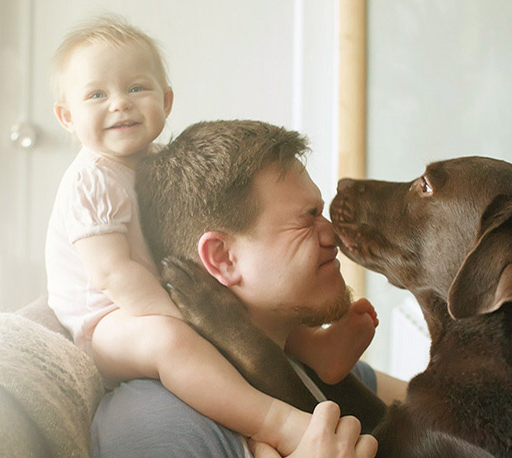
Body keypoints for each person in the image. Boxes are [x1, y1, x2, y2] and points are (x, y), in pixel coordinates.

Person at [45, 17, 379, 457]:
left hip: (154, 299)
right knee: (173, 343)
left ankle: (317, 351)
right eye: (97, 95)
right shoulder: (91, 180)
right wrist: (188, 322)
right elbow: (112, 273)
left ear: (166, 101)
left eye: (136, 89)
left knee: (245, 317)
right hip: (104, 319)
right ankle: (273, 423)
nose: (120, 105)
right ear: (67, 117)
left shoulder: (154, 166)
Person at [91, 120, 408, 457]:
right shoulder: (161, 426)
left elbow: (454, 430)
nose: (333, 236)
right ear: (223, 258)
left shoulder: (308, 363)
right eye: (308, 218)